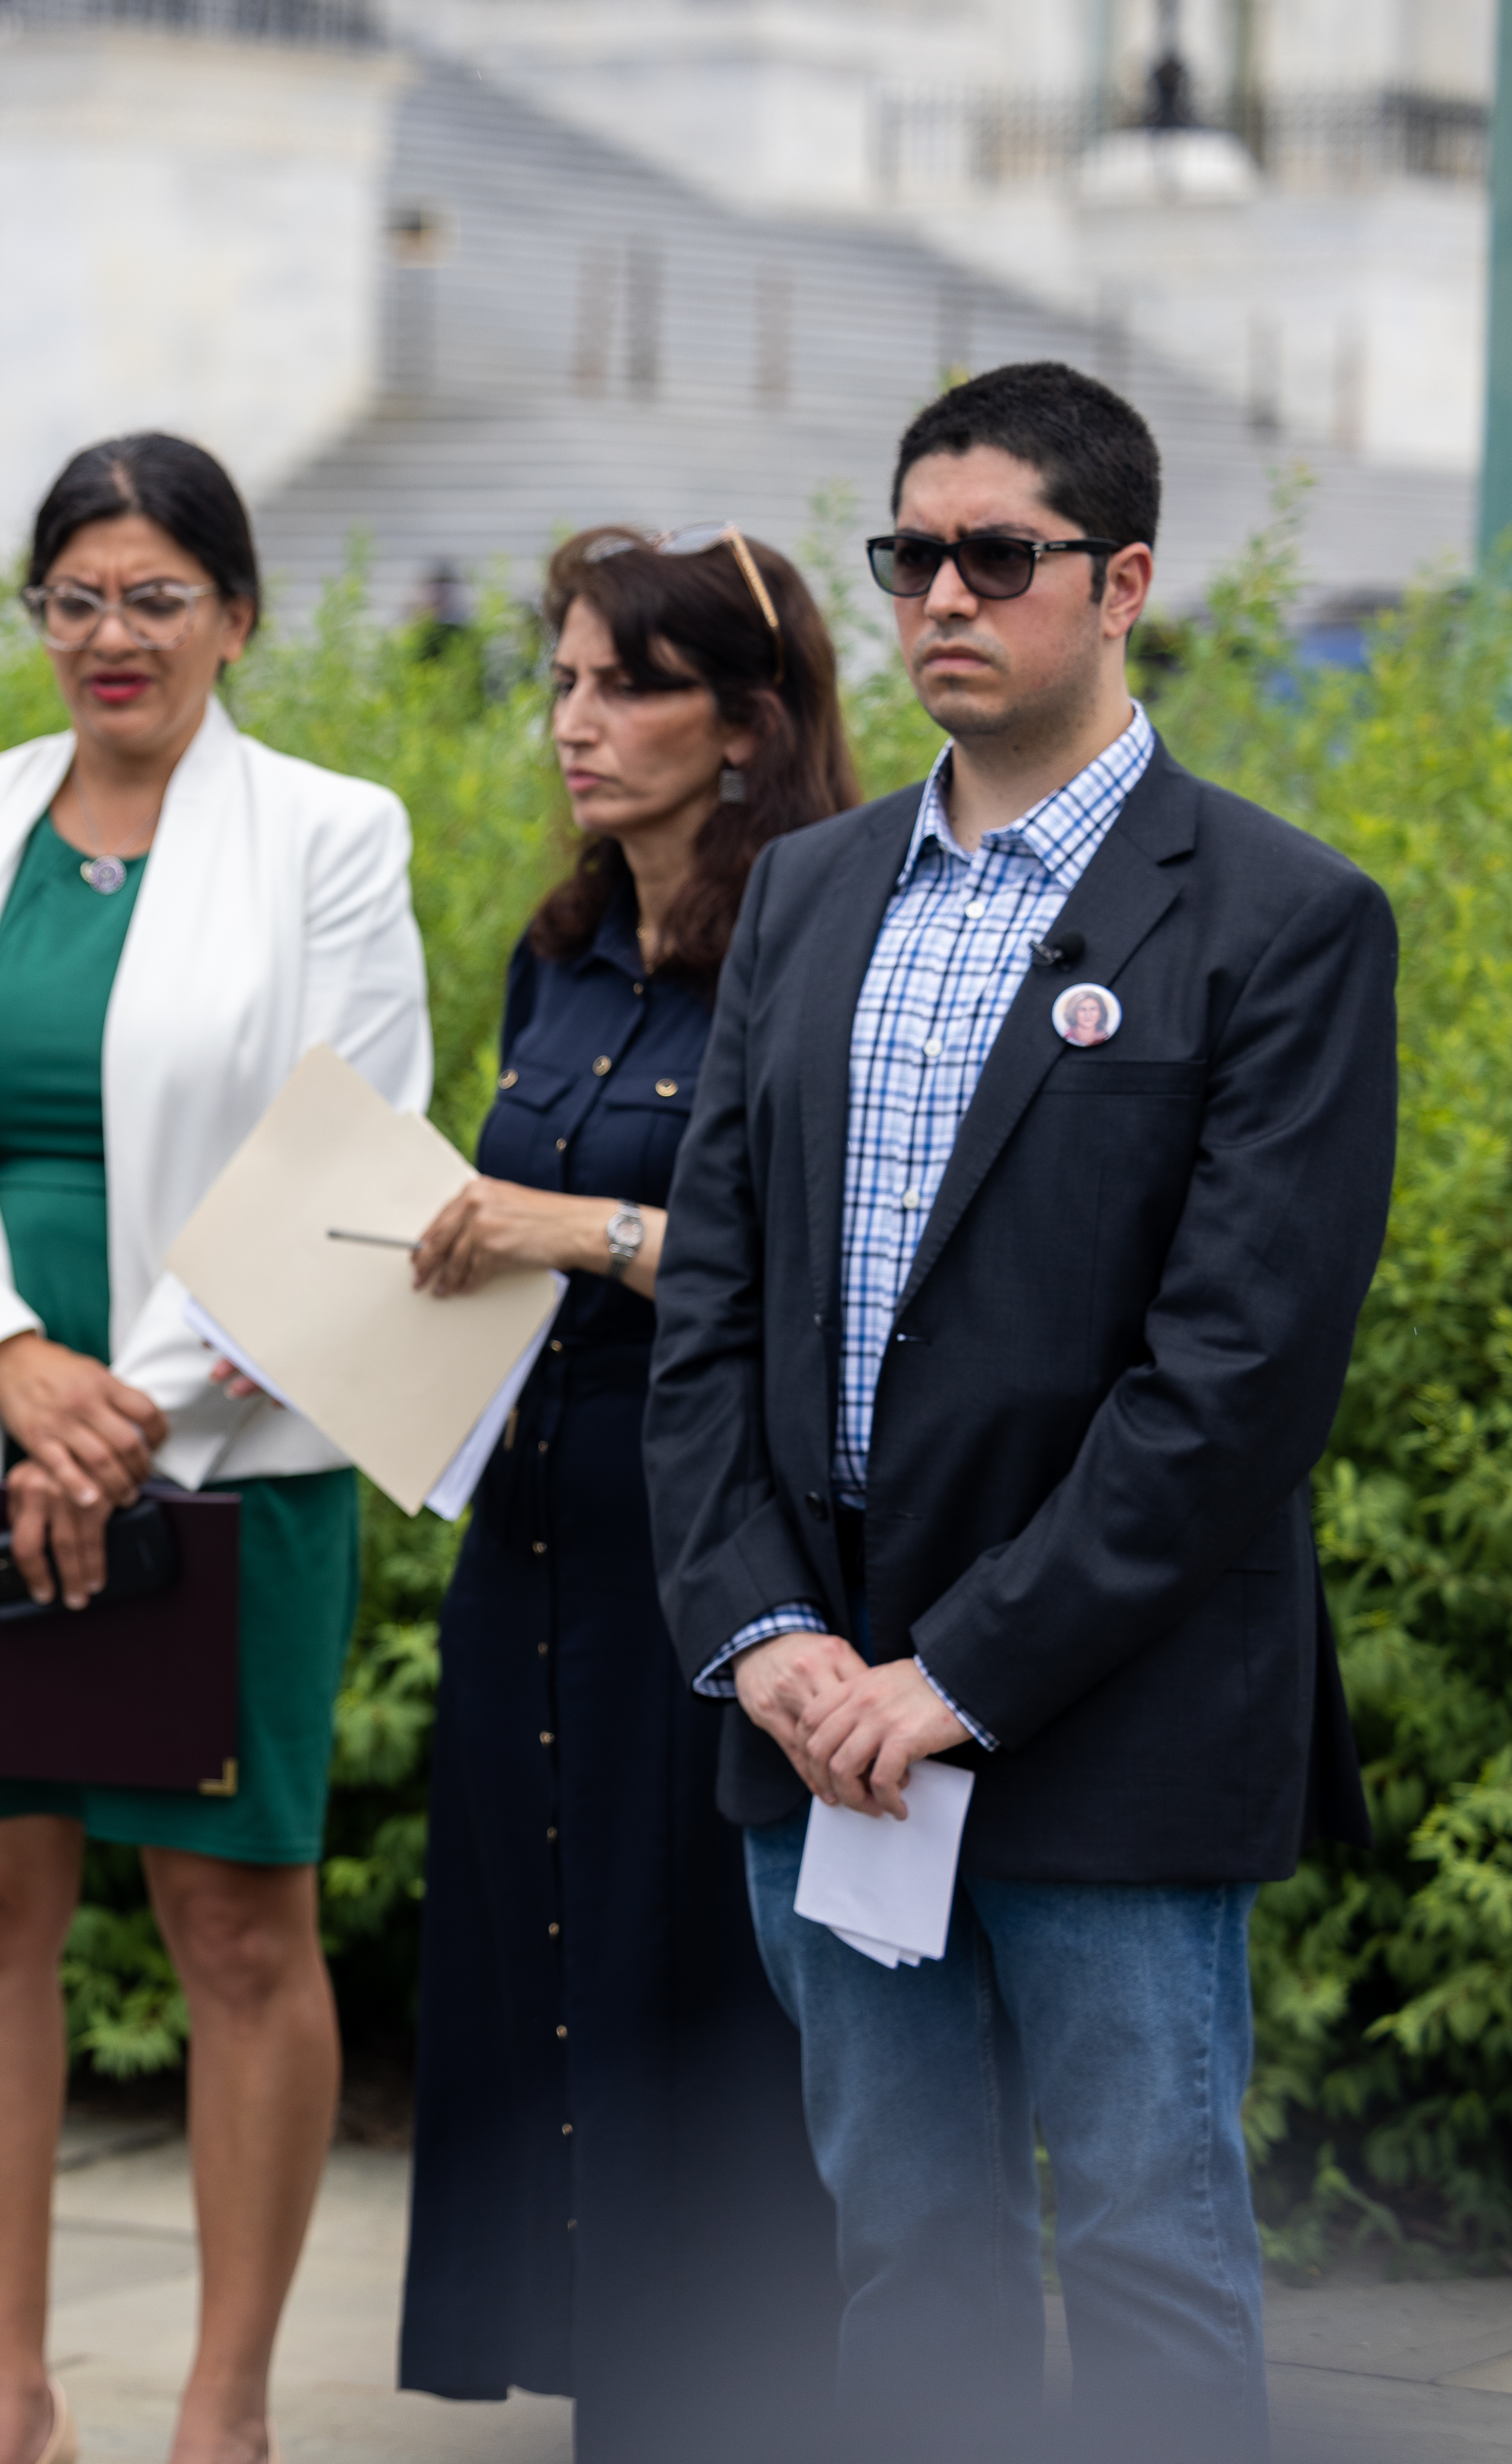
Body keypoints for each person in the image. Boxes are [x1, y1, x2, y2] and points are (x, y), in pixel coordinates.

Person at [646, 363, 1392, 2464]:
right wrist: (769, 1639)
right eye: (909, 555)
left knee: (1152, 2251)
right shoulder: (803, 896)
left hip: (1109, 1715)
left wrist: (957, 1672)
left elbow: (1233, 1383)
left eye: (997, 554)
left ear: (1122, 578)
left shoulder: (1281, 921)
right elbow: (706, 1310)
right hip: (816, 1725)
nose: (940, 594)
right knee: (903, 2249)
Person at [0, 433, 432, 2464]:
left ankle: (223, 2404)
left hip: (228, 1456)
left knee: (235, 1922)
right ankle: (6, 2397)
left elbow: (349, 1154)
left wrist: (126, 1406)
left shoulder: (329, 833)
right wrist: (6, 1367)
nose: (110, 635)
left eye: (155, 596)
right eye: (73, 596)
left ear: (235, 617)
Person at [385, 523, 849, 2459]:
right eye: (558, 681)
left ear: (742, 726)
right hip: (529, 1534)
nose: (570, 723)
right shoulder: (556, 948)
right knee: (541, 1966)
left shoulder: (815, 941)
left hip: (709, 1547)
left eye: (618, 685)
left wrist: (563, 1226)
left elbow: (805, 1262)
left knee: (692, 1995)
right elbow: (502, 1237)